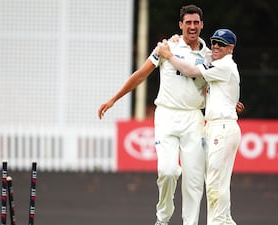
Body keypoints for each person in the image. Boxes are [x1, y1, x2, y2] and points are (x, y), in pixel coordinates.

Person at [98, 5, 210, 225]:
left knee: (194, 180)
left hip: (194, 118)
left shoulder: (207, 55)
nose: (192, 26)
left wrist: (229, 104)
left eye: (196, 22)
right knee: (168, 171)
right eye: (188, 23)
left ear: (202, 25)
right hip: (167, 116)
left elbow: (214, 86)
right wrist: (114, 98)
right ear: (181, 25)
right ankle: (163, 218)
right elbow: (141, 75)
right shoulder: (167, 47)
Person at [156, 28, 241, 225]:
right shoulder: (219, 64)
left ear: (231, 48)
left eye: (221, 44)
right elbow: (203, 62)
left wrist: (169, 54)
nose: (216, 46)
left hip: (222, 128)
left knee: (214, 185)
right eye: (214, 42)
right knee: (215, 184)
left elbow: (191, 71)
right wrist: (176, 40)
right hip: (215, 127)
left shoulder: (224, 66)